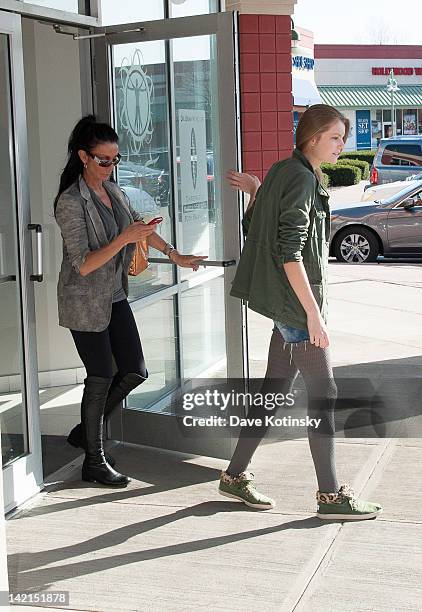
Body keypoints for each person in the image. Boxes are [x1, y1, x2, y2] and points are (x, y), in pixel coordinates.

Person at [218, 104, 382, 520]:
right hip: (295, 307)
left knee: (273, 391)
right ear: (312, 138)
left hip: (288, 304)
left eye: (342, 137)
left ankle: (234, 476)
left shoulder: (284, 171)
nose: (341, 144)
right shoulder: (301, 179)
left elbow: (255, 227)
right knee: (324, 394)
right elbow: (288, 252)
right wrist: (314, 315)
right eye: (335, 137)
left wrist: (257, 191)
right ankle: (331, 497)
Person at [54, 115, 206, 487]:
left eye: (115, 159)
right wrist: (124, 239)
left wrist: (175, 254)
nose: (110, 167)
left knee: (135, 370)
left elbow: (140, 227)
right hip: (84, 300)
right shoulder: (71, 202)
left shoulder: (115, 192)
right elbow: (84, 264)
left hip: (114, 294)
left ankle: (86, 430)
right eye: (103, 160)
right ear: (84, 157)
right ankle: (94, 458)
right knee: (102, 376)